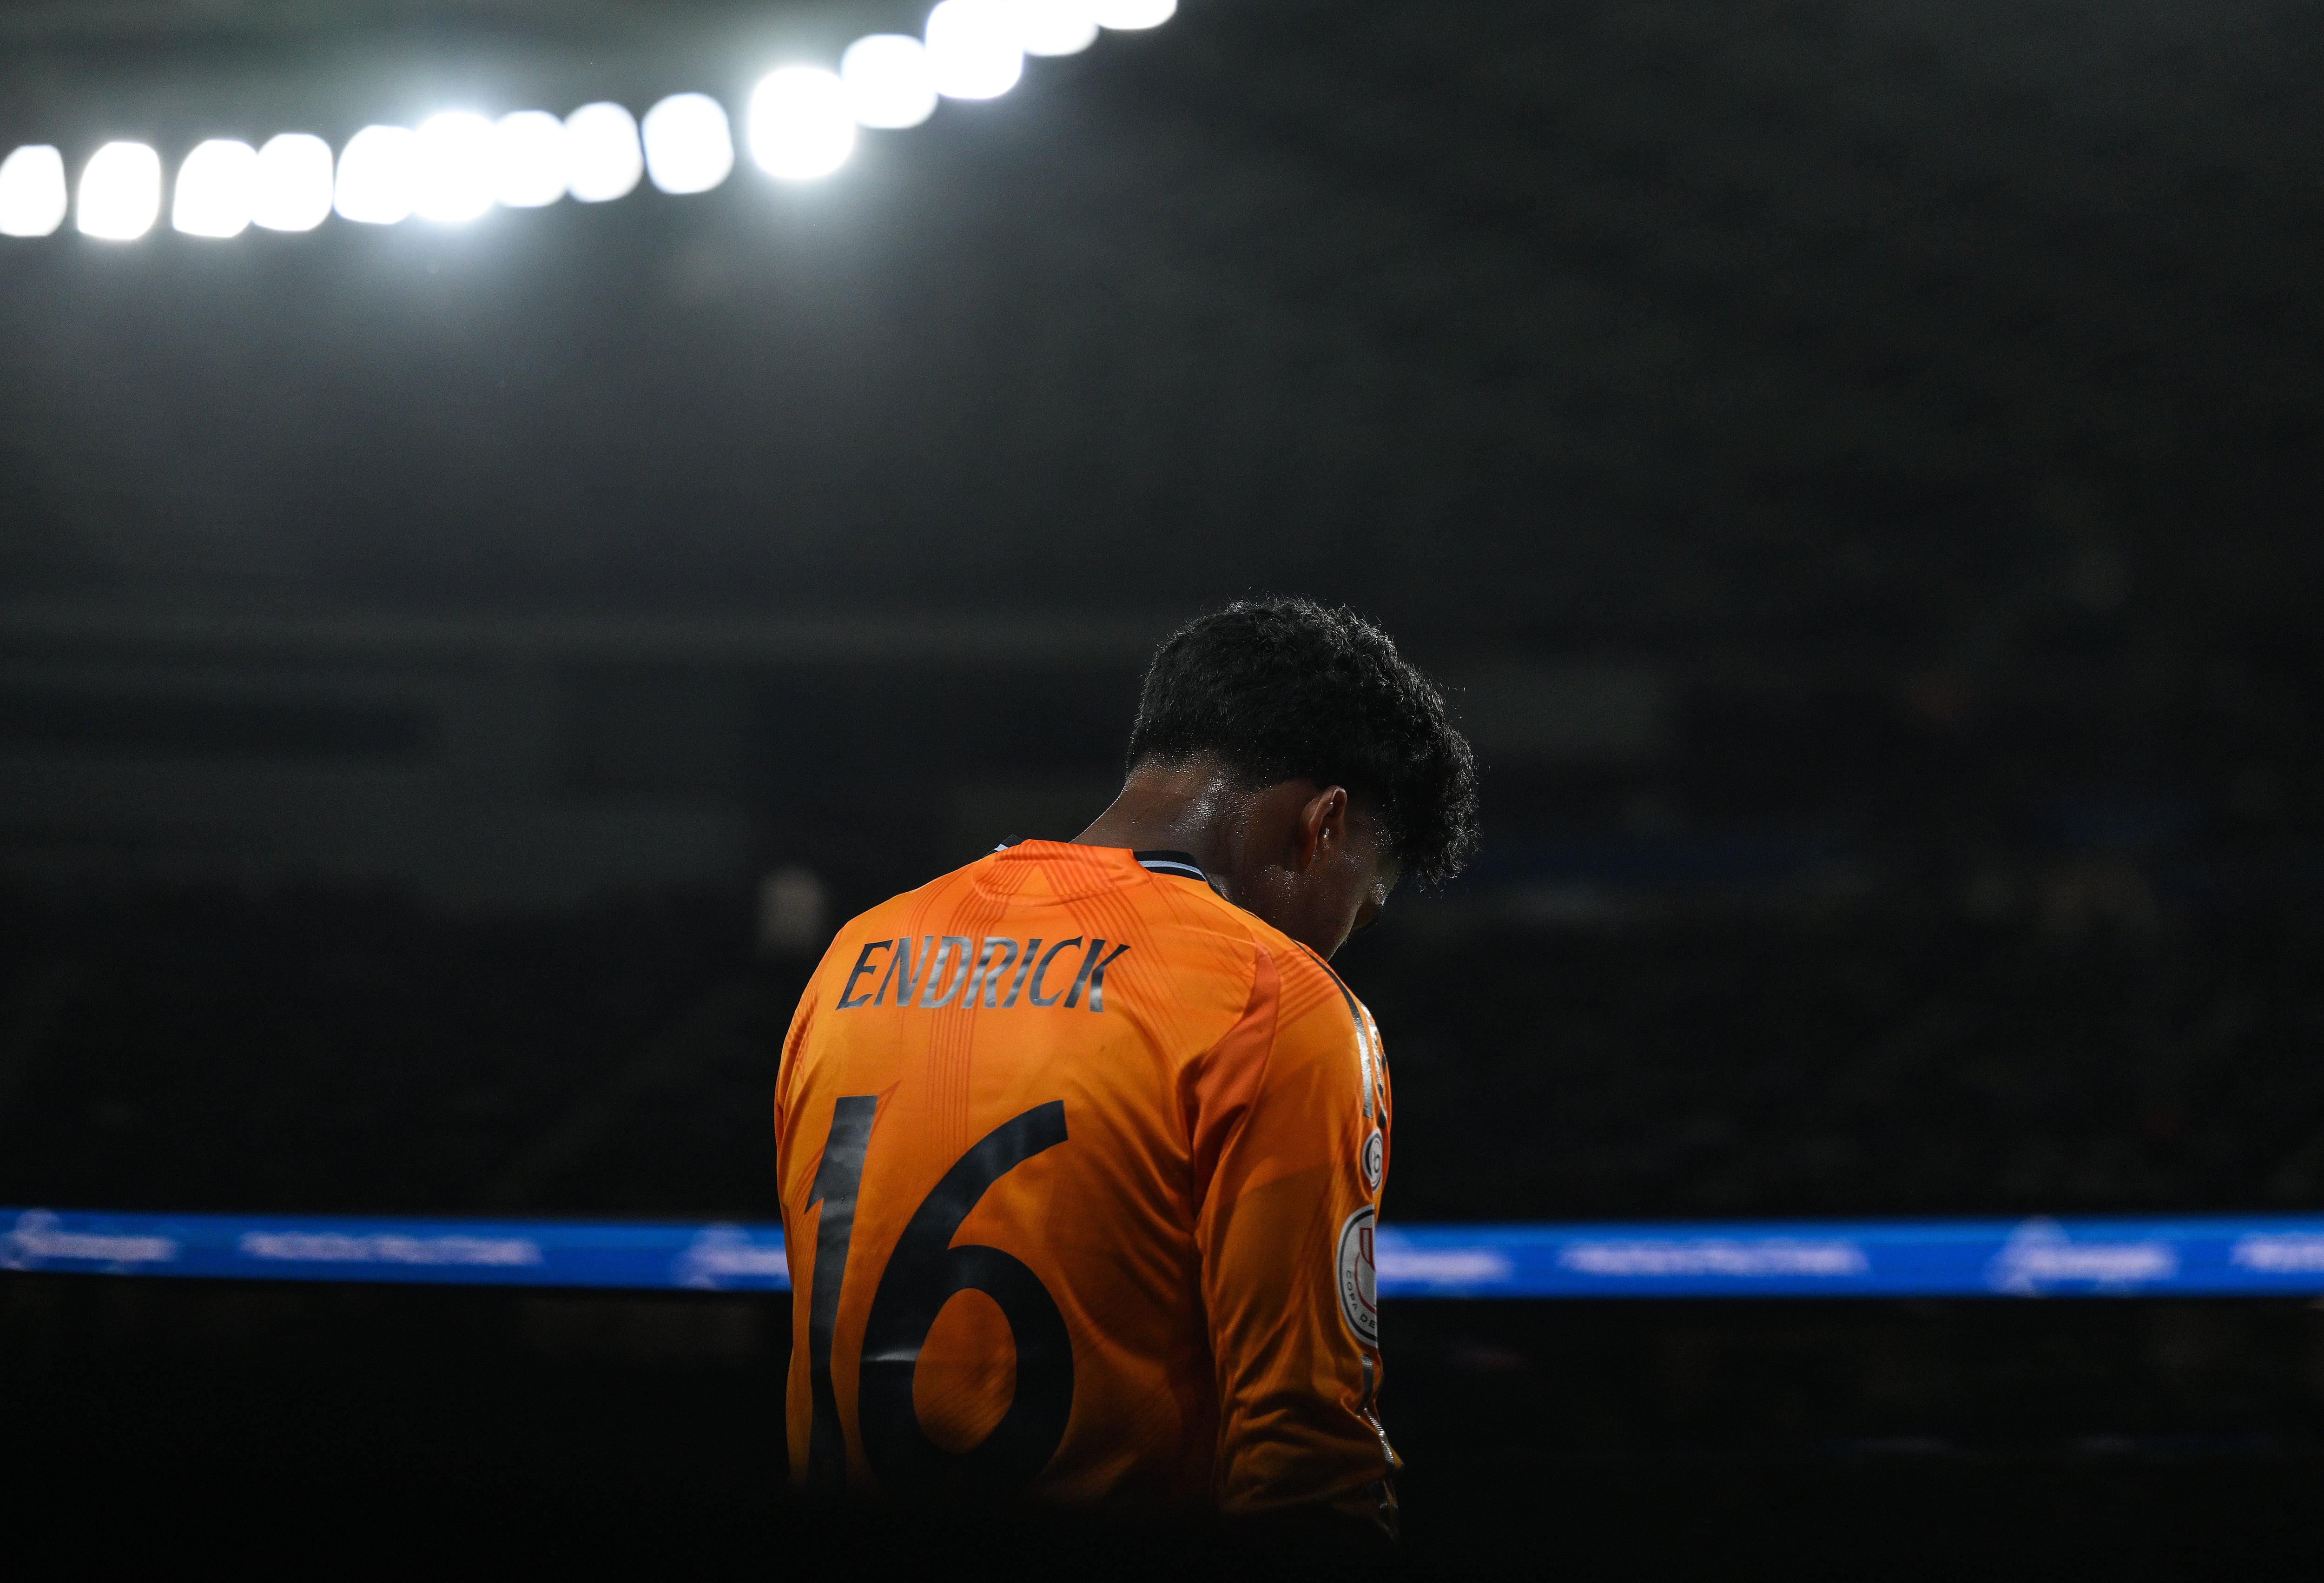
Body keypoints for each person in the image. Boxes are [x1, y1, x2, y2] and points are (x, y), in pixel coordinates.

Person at [772, 598, 1479, 1541]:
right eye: (1365, 904)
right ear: (1323, 824)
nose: (1346, 940)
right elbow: (1304, 1454)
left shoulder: (856, 954)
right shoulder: (1277, 1000)